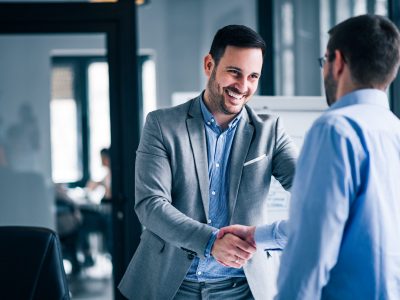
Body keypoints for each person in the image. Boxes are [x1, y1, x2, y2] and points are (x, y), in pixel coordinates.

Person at [219, 14, 400, 299]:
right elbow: (338, 223)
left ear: (337, 61)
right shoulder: (394, 130)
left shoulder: (335, 129)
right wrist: (258, 235)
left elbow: (312, 245)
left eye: (324, 61)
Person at [118, 25, 298, 300]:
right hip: (172, 286)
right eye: (234, 72)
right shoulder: (162, 125)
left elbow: (311, 189)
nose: (243, 86)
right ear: (209, 64)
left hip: (244, 289)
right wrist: (211, 242)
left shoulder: (270, 132)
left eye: (253, 76)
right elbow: (150, 205)